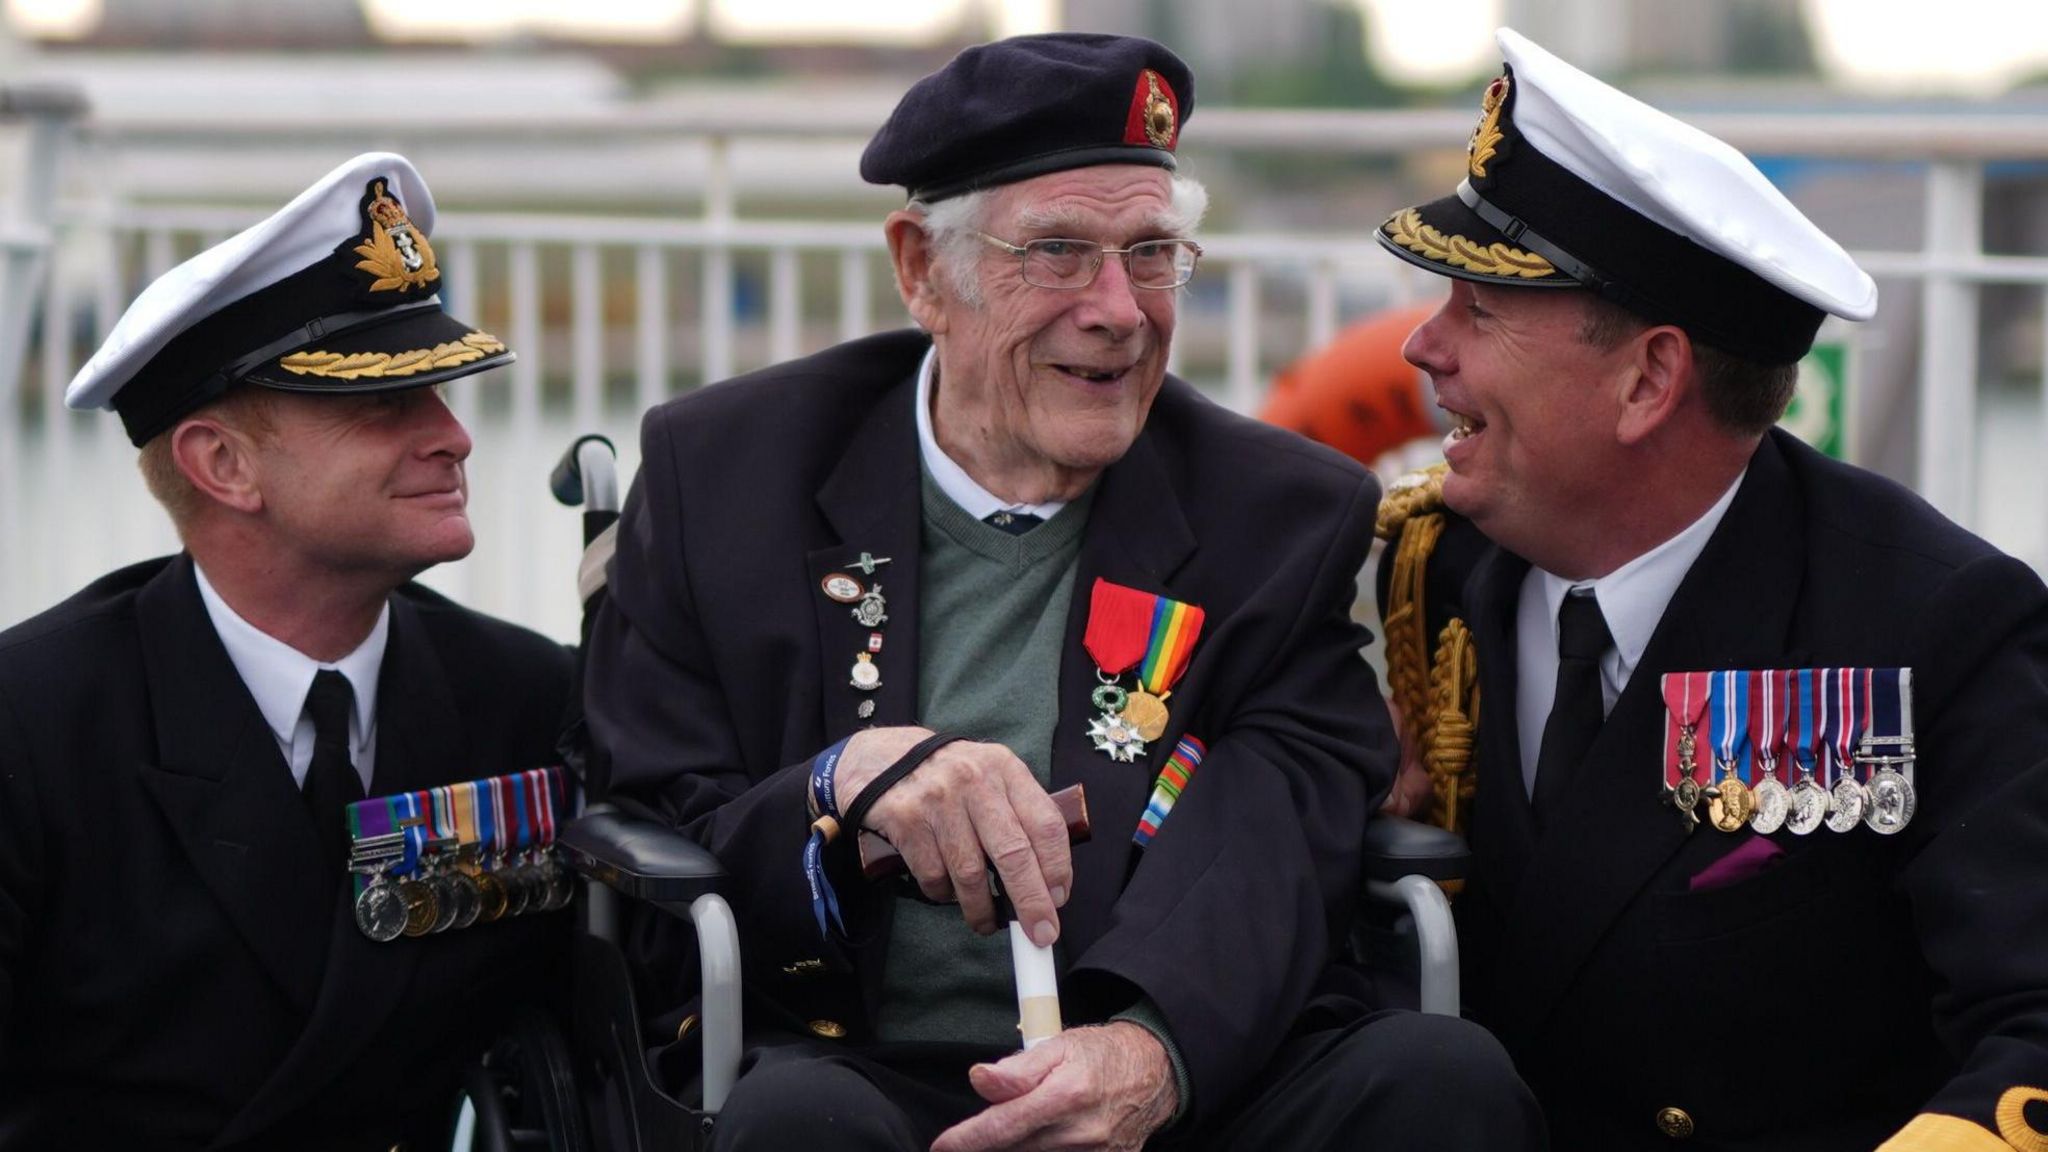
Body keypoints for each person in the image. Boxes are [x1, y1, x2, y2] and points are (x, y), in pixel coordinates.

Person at [587, 32, 1542, 1152]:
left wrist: (1149, 1050)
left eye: (1150, 252)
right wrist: (840, 788)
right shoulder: (727, 473)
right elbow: (647, 807)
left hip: (1172, 1069)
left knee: (1437, 1077)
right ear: (919, 271)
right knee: (797, 1122)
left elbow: (1279, 819)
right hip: (857, 1063)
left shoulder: (1276, 514)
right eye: (1054, 253)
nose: (1119, 310)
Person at [1374, 27, 2048, 1151]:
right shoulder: (1437, 564)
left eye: (1476, 313)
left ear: (1647, 380)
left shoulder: (1928, 628)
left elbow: (2029, 1023)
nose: (1418, 346)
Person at [0, 152, 574, 1149]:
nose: (453, 438)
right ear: (221, 464)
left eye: (441, 395)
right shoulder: (33, 723)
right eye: (384, 405)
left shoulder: (524, 694)